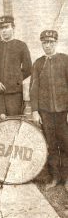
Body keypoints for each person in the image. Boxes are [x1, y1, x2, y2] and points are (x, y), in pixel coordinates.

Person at [30, 30, 68, 190]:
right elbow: (34, 88)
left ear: (56, 43)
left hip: (63, 111)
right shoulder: (38, 63)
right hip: (45, 111)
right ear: (42, 44)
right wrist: (35, 111)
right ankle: (54, 177)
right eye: (45, 43)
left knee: (66, 143)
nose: (48, 45)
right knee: (51, 145)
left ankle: (66, 179)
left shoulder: (65, 60)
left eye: (51, 42)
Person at [0, 16, 32, 118]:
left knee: (14, 121)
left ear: (13, 27)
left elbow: (28, 69)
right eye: (1, 28)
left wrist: (16, 81)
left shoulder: (21, 45)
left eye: (6, 27)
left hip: (15, 94)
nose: (4, 31)